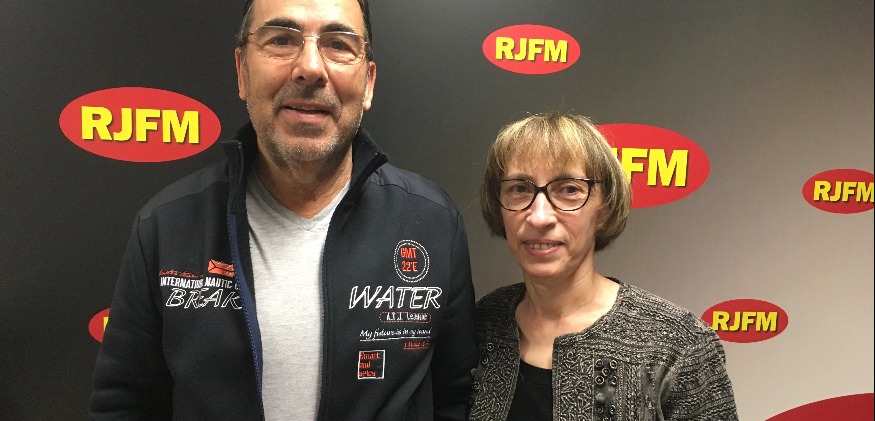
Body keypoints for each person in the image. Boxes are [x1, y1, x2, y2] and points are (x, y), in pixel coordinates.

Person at [89, 0, 478, 419]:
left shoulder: (434, 224)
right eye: (281, 40)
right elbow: (124, 405)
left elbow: (456, 399)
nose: (309, 67)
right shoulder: (166, 227)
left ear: (368, 82)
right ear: (242, 72)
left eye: (338, 44)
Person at [467, 112, 738, 420]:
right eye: (519, 189)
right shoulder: (481, 325)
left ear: (605, 209)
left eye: (569, 189)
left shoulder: (677, 345)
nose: (539, 217)